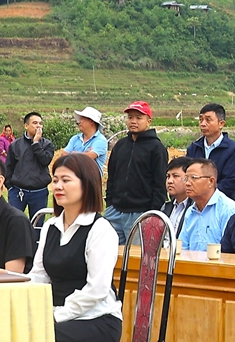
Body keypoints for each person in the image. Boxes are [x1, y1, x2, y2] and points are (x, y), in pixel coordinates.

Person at [30, 154, 122, 342]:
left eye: (66, 180)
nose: (58, 186)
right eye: (55, 180)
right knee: (13, 332)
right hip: (57, 315)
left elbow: (97, 290)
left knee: (40, 338)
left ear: (87, 183)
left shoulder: (100, 230)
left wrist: (58, 315)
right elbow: (38, 276)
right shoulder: (50, 227)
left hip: (98, 321)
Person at [102, 101, 168, 241]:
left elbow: (160, 183)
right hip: (115, 212)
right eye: (130, 117)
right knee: (110, 256)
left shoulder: (156, 148)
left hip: (141, 213)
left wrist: (152, 213)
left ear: (148, 121)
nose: (133, 121)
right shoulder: (120, 146)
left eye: (139, 118)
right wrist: (110, 203)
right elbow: (112, 177)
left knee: (136, 258)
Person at [186, 102, 235, 202]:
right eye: (201, 120)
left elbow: (229, 183)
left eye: (208, 120)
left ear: (221, 124)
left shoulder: (233, 149)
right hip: (194, 204)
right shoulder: (193, 148)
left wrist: (203, 192)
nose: (203, 124)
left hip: (221, 204)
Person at [177, 160, 235, 252]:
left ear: (211, 181)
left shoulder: (228, 210)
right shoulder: (190, 212)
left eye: (194, 178)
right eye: (186, 178)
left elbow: (230, 252)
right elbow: (182, 248)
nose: (187, 183)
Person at [5, 111, 54, 218]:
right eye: (35, 123)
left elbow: (45, 160)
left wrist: (36, 143)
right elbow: (8, 168)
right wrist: (10, 188)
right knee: (13, 223)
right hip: (18, 192)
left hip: (39, 192)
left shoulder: (47, 145)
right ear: (26, 125)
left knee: (37, 226)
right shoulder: (15, 145)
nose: (38, 126)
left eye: (40, 123)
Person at [63, 107, 108, 171]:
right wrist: (83, 154)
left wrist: (73, 154)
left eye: (82, 119)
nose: (79, 122)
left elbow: (88, 157)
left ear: (91, 121)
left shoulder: (101, 140)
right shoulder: (75, 138)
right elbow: (63, 155)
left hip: (91, 180)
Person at [160, 156, 193, 235]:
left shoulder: (195, 209)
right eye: (168, 176)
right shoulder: (166, 207)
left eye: (175, 176)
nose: (169, 181)